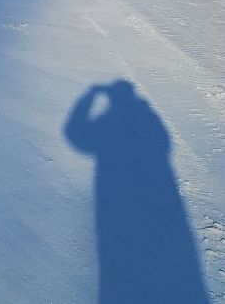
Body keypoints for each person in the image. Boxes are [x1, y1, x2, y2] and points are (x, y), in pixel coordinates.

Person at [64, 80, 209, 304]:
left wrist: (89, 97)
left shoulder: (121, 122)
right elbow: (163, 141)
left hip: (126, 188)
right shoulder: (143, 115)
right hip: (151, 186)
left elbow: (77, 135)